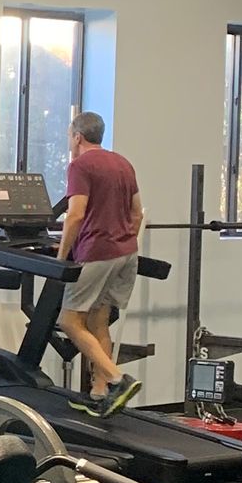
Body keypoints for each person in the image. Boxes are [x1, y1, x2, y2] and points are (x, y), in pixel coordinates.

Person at [58, 111, 144, 415]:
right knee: (98, 320)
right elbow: (137, 214)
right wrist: (122, 239)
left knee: (69, 321)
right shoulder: (122, 163)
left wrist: (61, 255)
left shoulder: (80, 165)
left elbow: (76, 214)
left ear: (78, 136)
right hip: (126, 253)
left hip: (97, 253)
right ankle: (99, 393)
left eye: (70, 136)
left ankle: (117, 378)